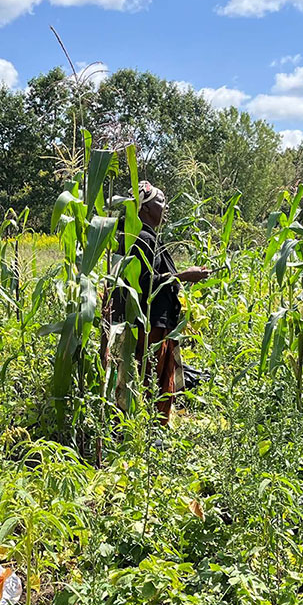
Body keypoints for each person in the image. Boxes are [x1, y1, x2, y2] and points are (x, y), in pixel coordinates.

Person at [109, 181, 209, 424]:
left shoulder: (140, 236)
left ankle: (145, 428)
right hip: (150, 323)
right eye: (160, 202)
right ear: (145, 209)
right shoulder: (141, 237)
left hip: (151, 321)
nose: (165, 208)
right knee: (152, 381)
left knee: (149, 380)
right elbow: (144, 282)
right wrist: (185, 275)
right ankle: (152, 431)